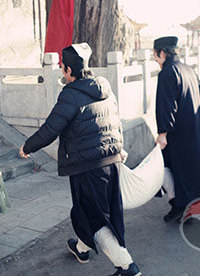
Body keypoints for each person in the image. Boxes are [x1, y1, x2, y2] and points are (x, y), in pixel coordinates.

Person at [19, 43, 141, 276]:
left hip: (88, 167)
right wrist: (120, 148)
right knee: (94, 211)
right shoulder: (103, 86)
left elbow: (51, 128)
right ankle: (81, 248)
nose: (62, 72)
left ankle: (127, 266)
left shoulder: (70, 94)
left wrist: (28, 146)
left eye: (62, 68)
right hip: (110, 161)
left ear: (68, 71)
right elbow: (115, 118)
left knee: (95, 219)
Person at [153, 36, 200, 223]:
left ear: (162, 53)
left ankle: (180, 207)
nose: (155, 58)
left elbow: (166, 105)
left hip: (177, 133)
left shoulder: (167, 72)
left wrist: (163, 133)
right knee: (193, 169)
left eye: (155, 54)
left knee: (166, 168)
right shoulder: (188, 69)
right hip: (194, 129)